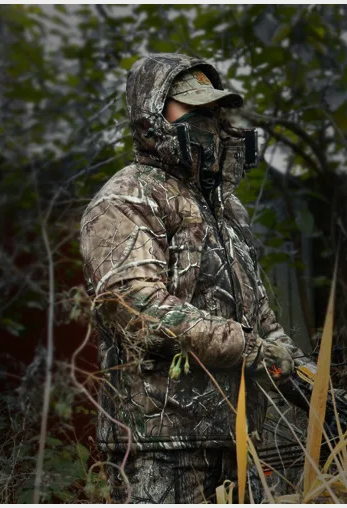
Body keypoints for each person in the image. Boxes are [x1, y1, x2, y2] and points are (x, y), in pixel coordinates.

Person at [79, 53, 309, 503]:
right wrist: (252, 349)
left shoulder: (226, 208)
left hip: (237, 438)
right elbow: (134, 307)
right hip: (160, 447)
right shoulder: (128, 196)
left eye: (213, 109)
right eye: (192, 107)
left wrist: (306, 379)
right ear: (151, 112)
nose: (208, 120)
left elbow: (259, 315)